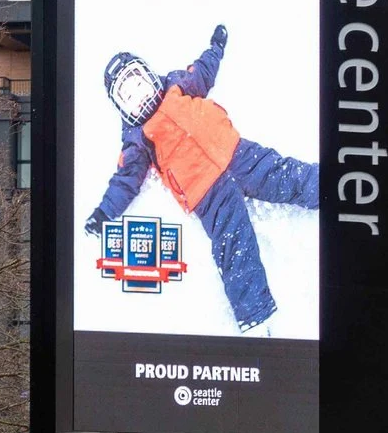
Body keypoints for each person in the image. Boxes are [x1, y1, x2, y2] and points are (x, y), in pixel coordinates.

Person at [86, 24, 318, 332]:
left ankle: (332, 188)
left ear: (148, 74)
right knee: (234, 243)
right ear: (121, 107)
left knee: (284, 173)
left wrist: (216, 47)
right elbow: (125, 180)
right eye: (128, 96)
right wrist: (105, 212)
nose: (138, 97)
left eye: (138, 84)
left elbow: (204, 71)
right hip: (206, 192)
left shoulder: (177, 85)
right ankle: (257, 316)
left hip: (236, 152)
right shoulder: (137, 139)